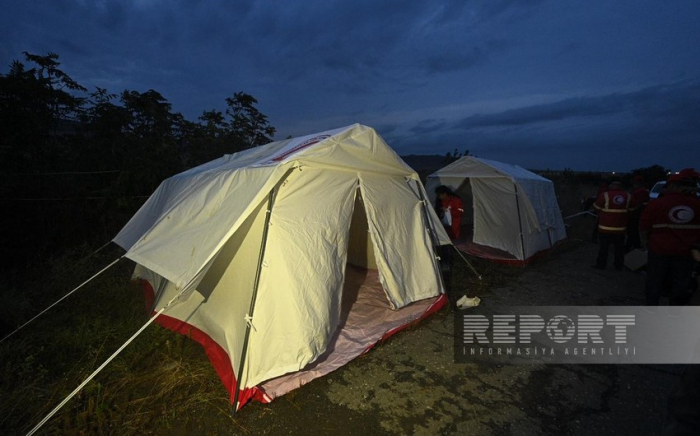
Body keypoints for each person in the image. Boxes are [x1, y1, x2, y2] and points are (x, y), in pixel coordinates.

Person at [639, 169, 700, 305]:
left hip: (659, 249)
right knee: (681, 282)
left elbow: (644, 225)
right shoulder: (697, 204)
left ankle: (651, 307)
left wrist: (646, 243)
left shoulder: (658, 203)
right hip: (687, 251)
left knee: (655, 279)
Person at [592, 181, 636, 270]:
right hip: (620, 228)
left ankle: (601, 265)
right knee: (619, 248)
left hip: (605, 228)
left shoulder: (605, 195)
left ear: (612, 186)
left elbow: (596, 208)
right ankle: (618, 266)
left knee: (603, 248)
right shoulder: (628, 196)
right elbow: (632, 210)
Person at [625, 175, 650, 252]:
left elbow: (636, 204)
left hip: (635, 215)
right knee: (632, 232)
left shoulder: (640, 191)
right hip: (637, 214)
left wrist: (630, 212)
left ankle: (635, 247)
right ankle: (629, 247)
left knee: (632, 231)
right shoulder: (642, 190)